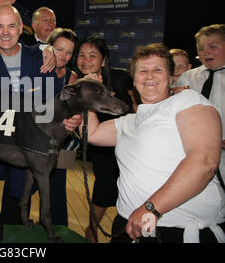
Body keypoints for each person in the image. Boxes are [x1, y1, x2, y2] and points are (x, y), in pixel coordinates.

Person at [85, 43, 224, 243]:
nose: (149, 76)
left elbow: (204, 162)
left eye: (157, 69)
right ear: (133, 79)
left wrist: (151, 207)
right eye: (142, 71)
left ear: (169, 77)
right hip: (128, 227)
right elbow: (93, 133)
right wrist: (91, 93)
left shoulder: (188, 101)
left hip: (176, 231)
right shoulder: (129, 121)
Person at [0, 4, 80, 226]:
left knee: (16, 208)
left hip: (28, 150)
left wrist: (70, 118)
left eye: (11, 26)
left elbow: (54, 104)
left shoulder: (41, 59)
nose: (6, 32)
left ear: (21, 29)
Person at [74, 35, 133, 243]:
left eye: (92, 55)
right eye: (81, 55)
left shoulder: (121, 79)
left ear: (104, 61)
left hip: (129, 150)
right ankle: (91, 233)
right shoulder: (75, 86)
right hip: (102, 153)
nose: (86, 60)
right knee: (103, 191)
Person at [175, 24, 225, 190]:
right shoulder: (187, 78)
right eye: (201, 48)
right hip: (194, 153)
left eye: (213, 46)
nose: (206, 52)